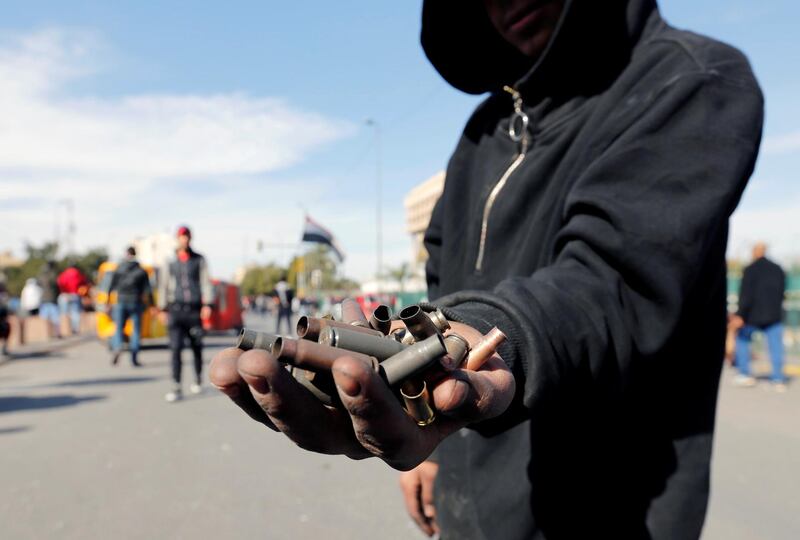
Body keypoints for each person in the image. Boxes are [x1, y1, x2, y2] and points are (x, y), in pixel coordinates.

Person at [210, 1, 763, 538]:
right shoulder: (484, 130)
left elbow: (610, 287)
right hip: (470, 494)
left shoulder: (691, 81)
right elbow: (440, 275)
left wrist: (486, 340)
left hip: (607, 503)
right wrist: (426, 431)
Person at [158, 226, 213, 402]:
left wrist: (207, 304)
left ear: (190, 238)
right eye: (182, 236)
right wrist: (162, 308)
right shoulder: (170, 261)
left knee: (196, 346)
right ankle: (176, 386)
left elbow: (206, 282)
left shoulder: (199, 259)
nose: (185, 239)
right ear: (177, 238)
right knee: (175, 349)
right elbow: (164, 284)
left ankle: (197, 378)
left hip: (194, 310)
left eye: (187, 236)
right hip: (175, 310)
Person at [731, 242, 787, 391]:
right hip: (774, 314)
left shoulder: (750, 270)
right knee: (776, 348)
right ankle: (778, 379)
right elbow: (782, 293)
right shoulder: (778, 269)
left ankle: (745, 374)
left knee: (742, 340)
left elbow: (746, 295)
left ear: (755, 252)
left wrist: (740, 314)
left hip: (752, 316)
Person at [107, 247, 154, 367]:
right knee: (136, 331)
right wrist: (152, 305)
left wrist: (108, 302)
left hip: (121, 301)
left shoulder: (119, 268)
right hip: (136, 302)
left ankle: (117, 347)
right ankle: (134, 357)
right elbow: (148, 290)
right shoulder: (141, 271)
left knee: (118, 328)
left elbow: (111, 286)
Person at [57, 263, 88, 335]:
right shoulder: (77, 273)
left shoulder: (64, 273)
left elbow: (60, 282)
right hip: (75, 294)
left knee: (63, 313)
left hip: (64, 295)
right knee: (75, 312)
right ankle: (75, 329)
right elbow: (84, 282)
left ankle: (63, 330)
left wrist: (64, 292)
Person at [38, 260, 61, 338]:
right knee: (55, 318)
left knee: (46, 318)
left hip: (44, 299)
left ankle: (48, 334)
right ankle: (56, 333)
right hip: (51, 299)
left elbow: (39, 284)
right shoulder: (53, 274)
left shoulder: (42, 275)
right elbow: (56, 284)